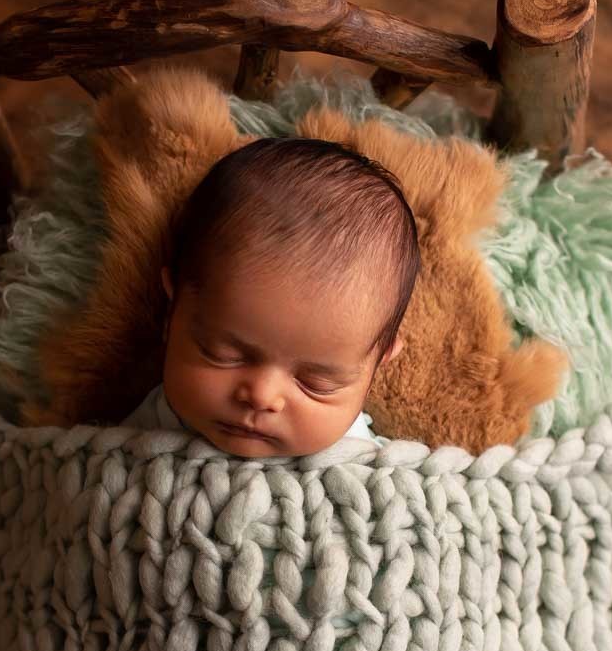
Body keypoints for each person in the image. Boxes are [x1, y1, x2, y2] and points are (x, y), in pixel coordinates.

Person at [122, 134, 420, 457]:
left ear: (378, 363)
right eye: (222, 354)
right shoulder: (132, 440)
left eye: (316, 383)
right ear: (172, 312)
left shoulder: (369, 464)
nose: (262, 396)